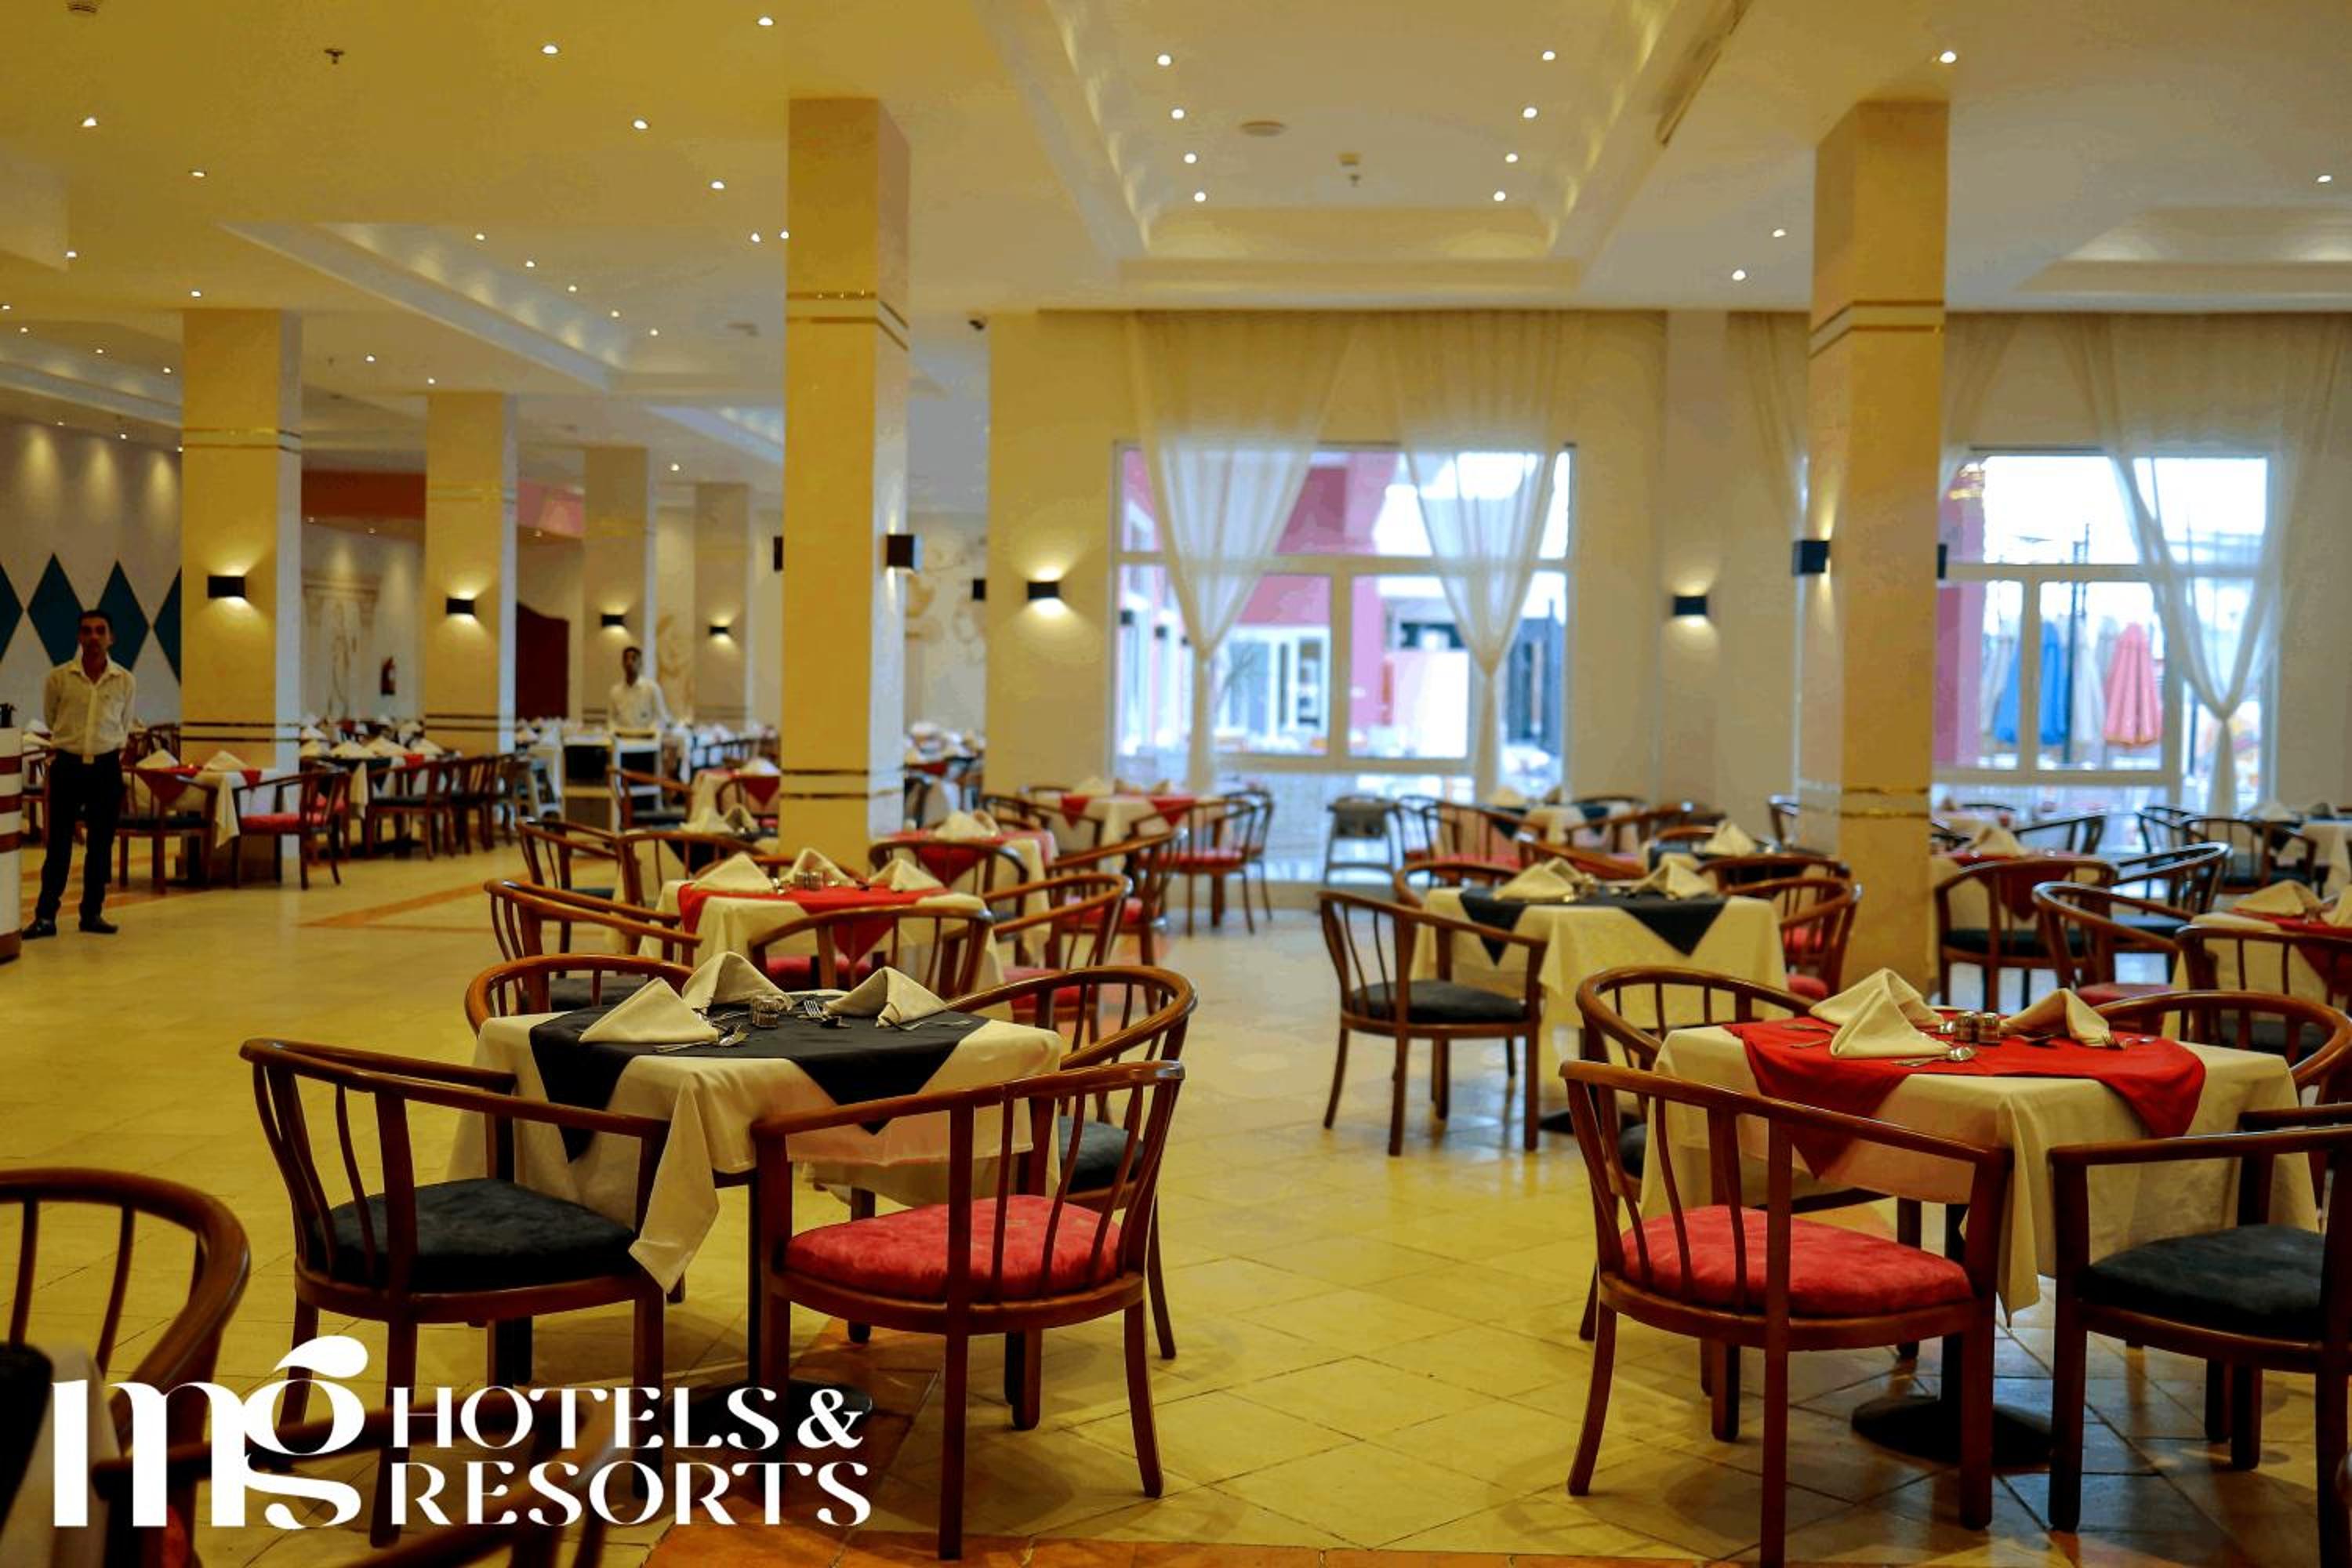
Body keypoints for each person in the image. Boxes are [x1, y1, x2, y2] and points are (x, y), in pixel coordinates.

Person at [27, 609, 136, 938]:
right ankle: (46, 916)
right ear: (78, 637)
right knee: (58, 844)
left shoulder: (124, 680)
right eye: (87, 631)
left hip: (106, 768)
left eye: (100, 631)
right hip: (68, 766)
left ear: (111, 638)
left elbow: (124, 724)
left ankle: (92, 913)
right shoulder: (59, 678)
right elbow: (51, 717)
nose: (93, 637)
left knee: (100, 845)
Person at [607, 644, 670, 732]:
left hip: (647, 737)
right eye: (626, 659)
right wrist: (615, 731)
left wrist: (651, 731)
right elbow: (611, 719)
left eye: (634, 659)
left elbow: (662, 717)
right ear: (622, 663)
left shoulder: (652, 688)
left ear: (641, 663)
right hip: (623, 737)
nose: (629, 662)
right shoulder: (615, 691)